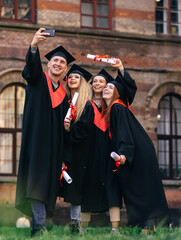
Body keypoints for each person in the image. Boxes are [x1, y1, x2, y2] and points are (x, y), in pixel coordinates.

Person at [15, 28, 75, 237]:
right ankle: (39, 227)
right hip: (36, 144)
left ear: (65, 69)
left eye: (62, 63)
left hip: (54, 148)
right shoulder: (38, 81)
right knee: (36, 183)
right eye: (55, 61)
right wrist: (33, 46)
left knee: (45, 186)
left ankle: (38, 223)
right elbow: (31, 69)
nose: (58, 64)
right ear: (48, 64)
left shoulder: (65, 96)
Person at [102, 63, 168, 233]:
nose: (106, 89)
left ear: (117, 92)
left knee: (138, 188)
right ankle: (148, 226)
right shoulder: (115, 108)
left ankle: (147, 227)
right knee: (141, 187)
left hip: (136, 151)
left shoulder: (117, 107)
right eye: (105, 87)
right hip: (140, 149)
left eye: (111, 86)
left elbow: (123, 133)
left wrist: (123, 154)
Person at [80, 69, 114, 232]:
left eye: (101, 81)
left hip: (108, 151)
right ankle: (83, 227)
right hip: (89, 151)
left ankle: (114, 227)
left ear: (107, 85)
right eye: (94, 81)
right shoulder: (86, 103)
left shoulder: (113, 106)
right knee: (87, 186)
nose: (97, 84)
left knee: (110, 186)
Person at [62, 64, 93, 233]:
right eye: (70, 77)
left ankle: (79, 226)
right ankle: (75, 225)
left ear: (82, 83)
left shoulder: (86, 106)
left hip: (81, 154)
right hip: (67, 153)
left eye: (77, 77)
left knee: (78, 189)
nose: (72, 79)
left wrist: (69, 129)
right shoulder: (64, 103)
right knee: (72, 189)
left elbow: (84, 131)